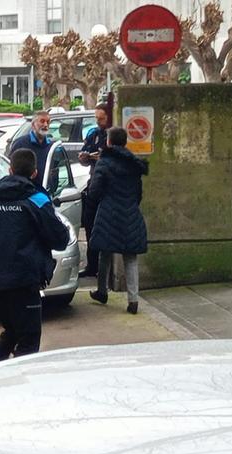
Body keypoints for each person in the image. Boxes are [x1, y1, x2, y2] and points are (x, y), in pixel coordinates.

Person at [0, 149, 70, 363]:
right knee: (29, 337)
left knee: (12, 330)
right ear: (34, 173)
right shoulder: (36, 199)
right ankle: (21, 382)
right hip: (24, 279)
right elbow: (59, 238)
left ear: (10, 169)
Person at [87, 127, 149, 315]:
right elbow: (138, 193)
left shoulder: (104, 162)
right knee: (130, 257)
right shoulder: (134, 164)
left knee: (105, 252)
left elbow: (95, 191)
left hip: (108, 212)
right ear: (125, 142)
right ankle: (133, 300)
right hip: (130, 212)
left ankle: (102, 291)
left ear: (109, 142)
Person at [77, 104, 111, 278]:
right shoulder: (93, 134)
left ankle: (106, 271)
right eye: (96, 119)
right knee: (90, 226)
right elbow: (84, 154)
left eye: (101, 119)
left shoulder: (112, 135)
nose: (98, 122)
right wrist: (84, 157)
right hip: (93, 184)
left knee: (106, 229)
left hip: (108, 188)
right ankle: (92, 265)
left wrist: (104, 157)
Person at [8, 110, 53, 188]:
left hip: (46, 191)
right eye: (42, 121)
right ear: (33, 125)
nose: (45, 125)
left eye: (48, 122)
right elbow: (12, 169)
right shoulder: (20, 144)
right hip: (24, 191)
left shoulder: (51, 146)